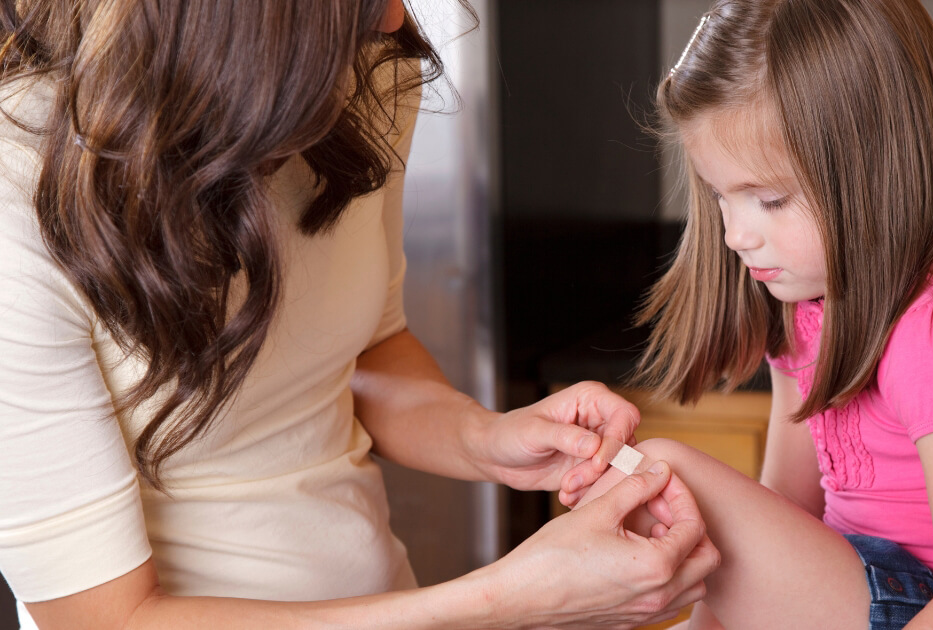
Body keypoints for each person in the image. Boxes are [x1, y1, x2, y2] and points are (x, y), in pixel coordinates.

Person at [0, 1, 718, 629]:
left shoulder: (360, 78)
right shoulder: (18, 193)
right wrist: (507, 600)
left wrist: (483, 438)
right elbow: (106, 620)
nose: (394, 20)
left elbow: (368, 350)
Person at [571, 0, 933, 628]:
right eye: (719, 195)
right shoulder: (805, 307)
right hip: (871, 583)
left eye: (769, 199)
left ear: (876, 169)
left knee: (669, 471)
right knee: (677, 496)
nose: (736, 234)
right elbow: (781, 519)